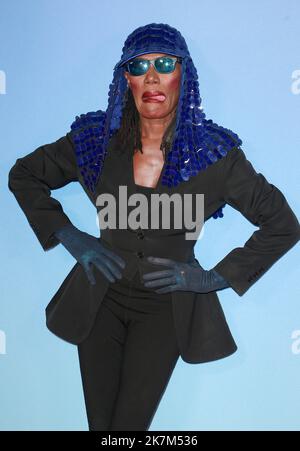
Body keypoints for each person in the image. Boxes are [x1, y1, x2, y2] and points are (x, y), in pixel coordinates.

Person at [8, 23, 300, 431]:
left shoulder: (214, 155)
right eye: (138, 66)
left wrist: (213, 277)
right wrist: (71, 237)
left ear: (184, 73)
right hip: (99, 298)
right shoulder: (95, 142)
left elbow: (283, 225)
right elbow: (24, 175)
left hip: (165, 308)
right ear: (124, 78)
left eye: (164, 64)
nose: (151, 77)